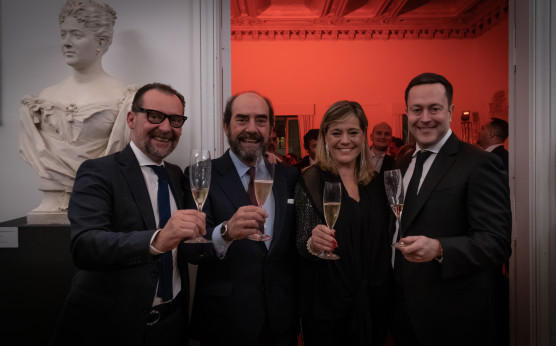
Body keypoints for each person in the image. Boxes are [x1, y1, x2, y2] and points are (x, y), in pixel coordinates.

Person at [50, 83, 205, 346]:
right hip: (109, 327)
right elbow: (85, 246)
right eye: (155, 116)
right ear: (131, 119)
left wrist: (261, 158)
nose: (166, 127)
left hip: (171, 324)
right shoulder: (98, 172)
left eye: (175, 119)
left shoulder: (176, 174)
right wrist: (156, 240)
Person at [391, 73, 512, 346]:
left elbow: (497, 243)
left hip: (455, 316)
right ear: (407, 112)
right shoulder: (399, 166)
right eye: (416, 109)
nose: (425, 118)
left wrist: (439, 248)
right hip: (403, 312)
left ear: (451, 111)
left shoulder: (479, 163)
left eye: (434, 108)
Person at [186, 91, 300, 345]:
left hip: (280, 320)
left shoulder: (289, 177)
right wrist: (225, 233)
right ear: (226, 125)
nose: (252, 129)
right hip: (224, 321)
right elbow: (191, 252)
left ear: (271, 127)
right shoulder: (201, 174)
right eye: (242, 119)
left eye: (261, 120)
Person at [19, 0, 137, 221]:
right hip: (51, 204)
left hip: (104, 204)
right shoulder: (44, 99)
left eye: (76, 35)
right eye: (63, 35)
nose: (66, 43)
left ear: (101, 42)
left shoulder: (124, 97)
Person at [294, 101, 392, 345]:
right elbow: (299, 243)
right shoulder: (312, 179)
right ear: (326, 137)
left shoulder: (377, 183)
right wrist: (312, 244)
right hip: (327, 303)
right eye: (336, 133)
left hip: (374, 300)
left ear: (363, 136)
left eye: (353, 132)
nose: (345, 140)